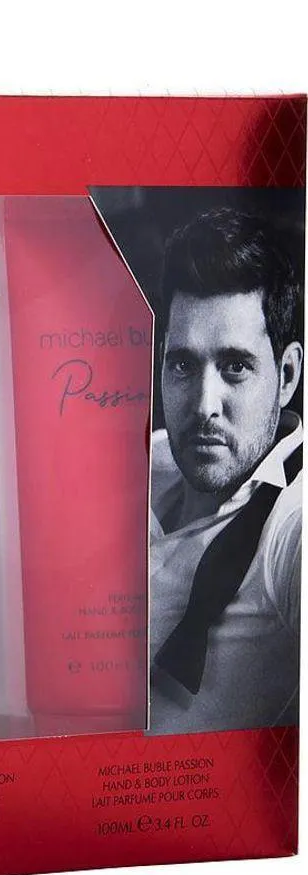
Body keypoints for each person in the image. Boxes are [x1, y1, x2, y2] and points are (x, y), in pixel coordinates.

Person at [149, 207, 303, 733]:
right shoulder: (136, 466)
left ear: (286, 376)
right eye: (183, 365)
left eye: (235, 367)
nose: (203, 406)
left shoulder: (293, 523)